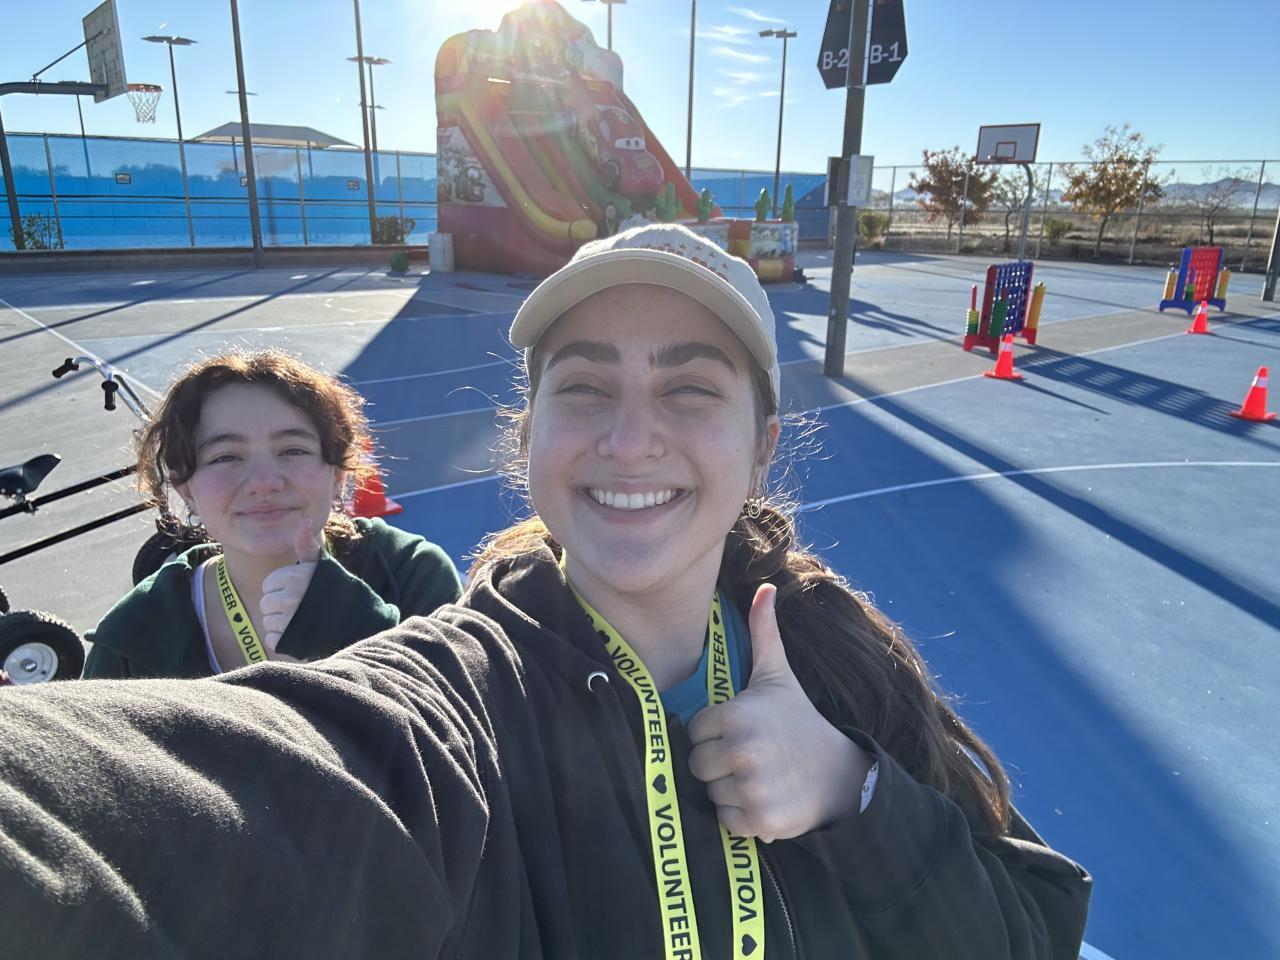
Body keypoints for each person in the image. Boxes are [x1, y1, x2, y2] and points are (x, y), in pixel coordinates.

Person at [0, 226, 1089, 959]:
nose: (629, 437)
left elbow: (1030, 927)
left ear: (762, 445)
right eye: (585, 387)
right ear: (528, 438)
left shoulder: (839, 658)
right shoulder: (461, 693)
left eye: (688, 387)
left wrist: (858, 797)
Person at [81, 349, 461, 679]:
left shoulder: (411, 575)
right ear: (187, 490)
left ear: (338, 476)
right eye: (225, 457)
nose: (263, 482)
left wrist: (356, 632)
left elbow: (461, 729)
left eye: (293, 450)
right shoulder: (132, 638)